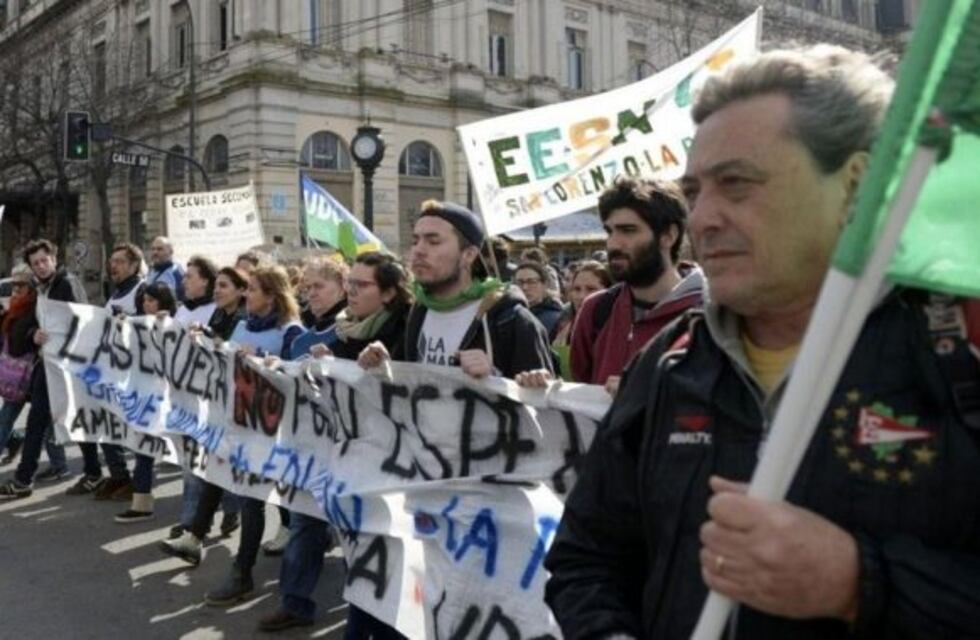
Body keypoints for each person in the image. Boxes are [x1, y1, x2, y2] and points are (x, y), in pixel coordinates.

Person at [545, 45, 980, 639]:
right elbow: (586, 558)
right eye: (695, 191)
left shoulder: (955, 357)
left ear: (855, 184)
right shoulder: (672, 362)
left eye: (737, 185)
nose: (702, 219)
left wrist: (859, 583)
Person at [257, 251, 412, 633]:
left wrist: (386, 366)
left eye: (361, 285)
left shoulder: (407, 328)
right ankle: (299, 602)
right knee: (316, 526)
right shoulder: (344, 329)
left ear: (389, 293)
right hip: (332, 455)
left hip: (385, 467)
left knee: (371, 550)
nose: (310, 294)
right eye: (305, 287)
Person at [162, 265, 304, 607]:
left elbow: (298, 379)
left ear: (271, 296)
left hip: (269, 432)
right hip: (235, 423)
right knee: (217, 477)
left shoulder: (291, 331)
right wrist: (209, 345)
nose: (246, 295)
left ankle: (243, 572)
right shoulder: (242, 324)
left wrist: (268, 364)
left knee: (251, 501)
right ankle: (195, 538)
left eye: (252, 290)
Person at [359, 200, 554, 380]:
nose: (418, 250)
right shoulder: (418, 312)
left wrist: (494, 377)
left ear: (468, 255)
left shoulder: (511, 320)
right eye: (415, 241)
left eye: (433, 241)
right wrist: (384, 366)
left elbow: (546, 407)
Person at [569, 177, 703, 392]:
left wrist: (643, 397)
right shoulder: (596, 310)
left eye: (628, 230)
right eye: (609, 231)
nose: (613, 243)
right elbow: (579, 395)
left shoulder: (712, 315)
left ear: (668, 235)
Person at [165, 266, 248, 542]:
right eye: (217, 285)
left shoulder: (244, 319)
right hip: (208, 400)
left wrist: (213, 340)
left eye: (224, 286)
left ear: (240, 290)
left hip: (234, 406)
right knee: (197, 462)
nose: (217, 290)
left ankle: (230, 510)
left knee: (225, 463)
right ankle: (190, 523)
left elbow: (232, 352)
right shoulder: (219, 313)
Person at [0, 240, 86, 500]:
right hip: (47, 364)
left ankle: (26, 479)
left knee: (54, 421)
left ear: (54, 258)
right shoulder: (42, 288)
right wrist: (32, 333)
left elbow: (79, 323)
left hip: (64, 365)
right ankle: (92, 472)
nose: (40, 266)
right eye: (35, 263)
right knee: (50, 420)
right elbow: (35, 324)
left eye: (44, 260)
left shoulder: (66, 285)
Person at [114, 280, 178, 524]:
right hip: (147, 397)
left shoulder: (173, 323)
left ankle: (221, 508)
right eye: (144, 300)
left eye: (151, 300)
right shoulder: (138, 325)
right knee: (143, 448)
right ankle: (141, 502)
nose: (146, 304)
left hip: (173, 399)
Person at [0, 266, 68, 481]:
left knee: (39, 422)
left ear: (31, 287)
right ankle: (59, 464)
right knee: (30, 421)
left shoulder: (38, 306)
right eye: (13, 284)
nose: (15, 289)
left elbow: (35, 334)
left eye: (21, 285)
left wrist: (30, 335)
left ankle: (59, 465)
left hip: (33, 371)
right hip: (16, 373)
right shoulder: (15, 306)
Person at [551, 261, 612, 381]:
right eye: (577, 289)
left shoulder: (618, 329)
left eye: (591, 289)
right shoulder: (563, 324)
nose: (582, 296)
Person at [515, 261, 564, 339]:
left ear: (545, 284)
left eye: (531, 282)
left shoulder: (557, 319)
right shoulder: (510, 315)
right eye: (520, 282)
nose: (525, 287)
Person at [147, 236, 185, 301]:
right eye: (153, 249)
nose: (155, 252)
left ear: (171, 252)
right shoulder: (151, 270)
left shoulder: (177, 272)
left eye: (160, 249)